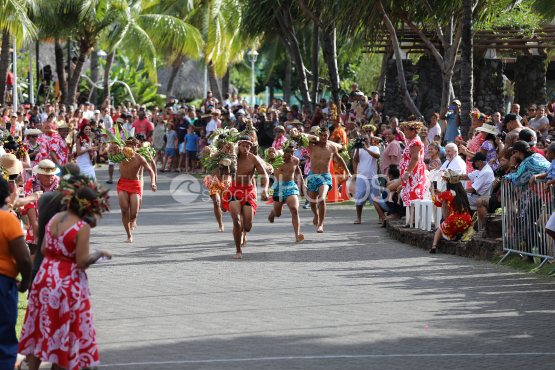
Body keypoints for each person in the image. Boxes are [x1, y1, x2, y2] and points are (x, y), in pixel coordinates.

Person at [18, 175, 112, 370]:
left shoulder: (55, 218)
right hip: (67, 282)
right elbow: (82, 262)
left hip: (45, 276)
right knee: (64, 330)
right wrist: (100, 254)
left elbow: (43, 249)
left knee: (39, 326)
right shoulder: (81, 227)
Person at [0, 177, 32, 370]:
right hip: (3, 283)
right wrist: (26, 283)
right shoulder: (7, 220)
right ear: (5, 197)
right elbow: (24, 259)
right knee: (4, 338)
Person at [222, 135, 269, 259]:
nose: (246, 148)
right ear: (239, 146)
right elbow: (215, 160)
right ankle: (238, 251)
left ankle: (244, 233)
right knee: (236, 221)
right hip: (234, 191)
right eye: (243, 146)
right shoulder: (232, 157)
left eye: (248, 146)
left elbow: (265, 175)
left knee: (247, 226)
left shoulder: (253, 159)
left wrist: (265, 189)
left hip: (248, 192)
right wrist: (223, 151)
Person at [306, 127, 352, 233]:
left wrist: (347, 171)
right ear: (318, 136)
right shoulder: (312, 145)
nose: (323, 137)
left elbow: (339, 158)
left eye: (325, 135)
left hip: (325, 176)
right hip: (313, 176)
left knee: (322, 198)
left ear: (328, 135)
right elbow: (301, 138)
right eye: (321, 135)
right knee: (313, 203)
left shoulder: (332, 147)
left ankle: (321, 225)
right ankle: (316, 215)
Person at [117, 138, 157, 243]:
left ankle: (133, 221)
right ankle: (129, 235)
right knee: (124, 210)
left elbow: (150, 171)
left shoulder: (139, 158)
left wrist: (153, 183)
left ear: (136, 147)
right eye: (128, 145)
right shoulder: (120, 156)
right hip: (123, 184)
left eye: (133, 145)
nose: (131, 147)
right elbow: (110, 151)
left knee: (134, 213)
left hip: (135, 185)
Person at [267, 140, 305, 242]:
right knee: (278, 213)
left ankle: (297, 235)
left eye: (291, 152)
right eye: (287, 151)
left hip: (290, 186)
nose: (289, 154)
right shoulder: (276, 159)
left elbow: (297, 171)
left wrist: (303, 184)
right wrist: (270, 151)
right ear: (283, 150)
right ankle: (273, 213)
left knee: (294, 209)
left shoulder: (296, 160)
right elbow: (268, 159)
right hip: (277, 186)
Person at [22, 160, 60, 258]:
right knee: (35, 260)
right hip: (37, 226)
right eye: (46, 175)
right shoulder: (31, 182)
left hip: (57, 228)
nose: (50, 177)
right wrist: (36, 227)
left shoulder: (60, 182)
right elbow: (29, 206)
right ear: (39, 173)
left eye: (52, 174)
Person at [430, 170, 472, 253]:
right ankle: (455, 235)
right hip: (467, 221)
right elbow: (452, 198)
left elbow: (436, 201)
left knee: (440, 228)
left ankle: (434, 245)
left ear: (448, 182)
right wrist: (440, 193)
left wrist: (432, 191)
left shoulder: (448, 193)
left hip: (454, 221)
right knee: (454, 226)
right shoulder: (462, 192)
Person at [399, 121, 428, 227]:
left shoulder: (415, 142)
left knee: (414, 194)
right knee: (410, 194)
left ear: (413, 131)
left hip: (414, 173)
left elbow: (415, 158)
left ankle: (414, 220)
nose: (404, 132)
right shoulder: (411, 141)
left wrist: (408, 172)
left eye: (406, 130)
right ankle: (412, 220)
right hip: (413, 172)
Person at [353, 134, 380, 224]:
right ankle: (358, 218)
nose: (364, 141)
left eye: (366, 139)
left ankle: (381, 217)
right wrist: (357, 148)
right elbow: (356, 161)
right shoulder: (358, 150)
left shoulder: (374, 147)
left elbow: (377, 156)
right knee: (359, 197)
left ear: (369, 139)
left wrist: (366, 149)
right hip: (361, 177)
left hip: (373, 177)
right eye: (362, 139)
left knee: (376, 198)